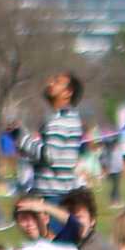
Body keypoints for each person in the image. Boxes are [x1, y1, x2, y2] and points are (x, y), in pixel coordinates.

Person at [18, 73, 84, 207]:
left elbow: (49, 156)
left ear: (68, 92)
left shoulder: (59, 120)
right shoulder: (68, 117)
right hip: (59, 191)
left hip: (52, 193)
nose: (50, 83)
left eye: (57, 82)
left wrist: (22, 139)